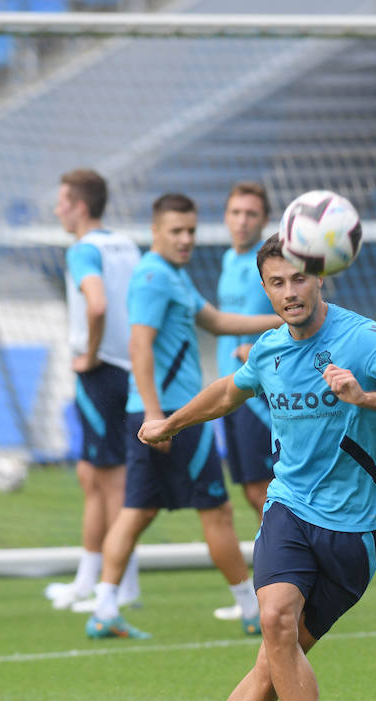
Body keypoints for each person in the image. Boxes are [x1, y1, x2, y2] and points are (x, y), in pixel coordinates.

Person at [125, 233, 376, 701]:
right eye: (276, 282)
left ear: (321, 275)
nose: (289, 292)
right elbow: (230, 391)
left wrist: (363, 398)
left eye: (298, 278)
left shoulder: (364, 339)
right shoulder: (269, 350)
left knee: (274, 662)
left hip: (357, 528)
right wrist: (171, 423)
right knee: (274, 622)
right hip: (289, 509)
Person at [83, 192, 282, 640]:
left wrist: (279, 323)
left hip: (160, 412)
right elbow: (139, 345)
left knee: (136, 512)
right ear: (155, 232)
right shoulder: (153, 276)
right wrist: (158, 417)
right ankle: (251, 610)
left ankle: (104, 608)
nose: (186, 238)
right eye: (176, 230)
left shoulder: (173, 275)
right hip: (173, 414)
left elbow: (215, 321)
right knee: (217, 511)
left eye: (191, 229)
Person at [42, 168, 143, 613]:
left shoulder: (83, 250)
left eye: (62, 200)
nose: (57, 208)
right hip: (131, 369)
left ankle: (121, 585)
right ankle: (88, 579)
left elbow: (96, 303)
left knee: (111, 481)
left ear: (80, 206)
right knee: (91, 475)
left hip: (101, 370)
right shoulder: (127, 244)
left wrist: (91, 352)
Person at [211, 182, 278, 623]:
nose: (242, 220)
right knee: (252, 491)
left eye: (251, 214)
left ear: (263, 220)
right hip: (231, 396)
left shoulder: (271, 265)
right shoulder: (227, 260)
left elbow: (296, 314)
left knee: (266, 494)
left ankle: (286, 585)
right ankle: (269, 590)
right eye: (236, 212)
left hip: (259, 398)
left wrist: (259, 347)